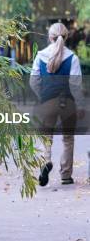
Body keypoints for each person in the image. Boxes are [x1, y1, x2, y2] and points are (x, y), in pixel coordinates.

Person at [30, 22, 83, 186]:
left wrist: (43, 95)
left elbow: (34, 81)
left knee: (46, 137)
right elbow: (75, 84)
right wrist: (79, 105)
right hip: (68, 102)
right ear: (66, 37)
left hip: (47, 102)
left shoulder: (40, 56)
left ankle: (46, 161)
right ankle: (66, 175)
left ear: (50, 37)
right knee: (68, 139)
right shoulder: (72, 58)